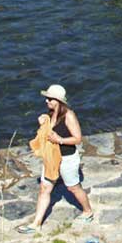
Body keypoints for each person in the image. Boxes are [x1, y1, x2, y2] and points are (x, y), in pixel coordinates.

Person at [17, 84, 95, 234]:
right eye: (47, 98)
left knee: (73, 187)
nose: (47, 101)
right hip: (52, 158)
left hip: (67, 159)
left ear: (58, 101)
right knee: (44, 188)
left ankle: (88, 211)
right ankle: (36, 223)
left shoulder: (69, 115)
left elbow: (77, 139)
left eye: (50, 99)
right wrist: (43, 122)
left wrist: (60, 139)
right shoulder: (50, 113)